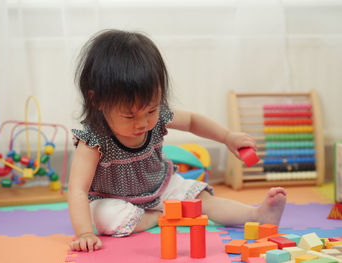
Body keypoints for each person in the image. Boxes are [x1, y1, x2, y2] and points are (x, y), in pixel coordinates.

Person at [68, 29, 287, 252]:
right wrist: (85, 233)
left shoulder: (158, 117)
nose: (142, 123)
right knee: (106, 218)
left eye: (151, 110)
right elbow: (78, 190)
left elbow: (192, 121)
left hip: (162, 186)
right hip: (113, 198)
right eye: (130, 115)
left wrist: (227, 137)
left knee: (202, 201)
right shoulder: (93, 140)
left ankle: (256, 214)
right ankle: (157, 216)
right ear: (97, 100)